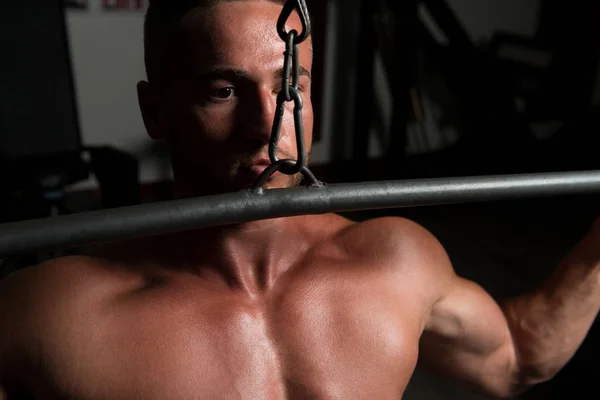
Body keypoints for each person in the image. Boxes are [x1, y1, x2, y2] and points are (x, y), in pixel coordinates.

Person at [1, 0, 599, 398]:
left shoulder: (395, 260)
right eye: (222, 91)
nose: (270, 124)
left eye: (292, 88)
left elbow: (518, 356)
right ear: (154, 111)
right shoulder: (50, 315)